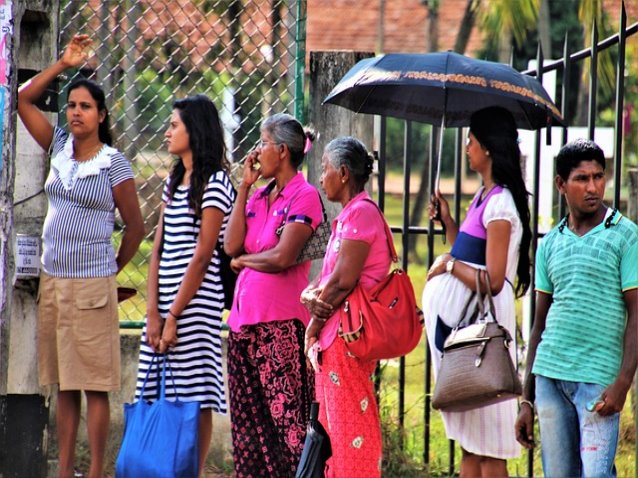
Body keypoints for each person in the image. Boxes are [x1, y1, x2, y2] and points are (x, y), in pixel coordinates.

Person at [17, 34, 144, 478]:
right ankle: (66, 469)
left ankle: (94, 473)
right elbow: (22, 99)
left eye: (85, 106)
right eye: (71, 104)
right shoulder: (58, 149)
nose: (75, 111)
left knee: (94, 386)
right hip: (54, 283)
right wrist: (63, 63)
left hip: (92, 286)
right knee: (64, 384)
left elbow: (136, 226)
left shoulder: (114, 163)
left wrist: (110, 270)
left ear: (102, 115)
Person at [514, 138, 638, 478]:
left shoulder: (626, 236)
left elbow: (637, 314)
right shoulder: (550, 244)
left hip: (598, 380)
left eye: (598, 176)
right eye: (582, 179)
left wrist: (623, 382)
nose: (593, 187)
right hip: (550, 378)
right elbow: (539, 324)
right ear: (561, 184)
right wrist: (527, 399)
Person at [422, 106, 532, 477]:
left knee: (490, 448)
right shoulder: (483, 198)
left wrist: (447, 266)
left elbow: (494, 279)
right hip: (462, 338)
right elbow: (470, 254)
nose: (466, 147)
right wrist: (449, 221)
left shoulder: (500, 204)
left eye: (470, 140)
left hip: (483, 342)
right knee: (471, 447)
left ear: (486, 148)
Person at [134, 94, 236, 477]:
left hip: (194, 306)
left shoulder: (216, 183)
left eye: (174, 125)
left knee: (195, 396)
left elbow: (203, 254)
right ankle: (158, 466)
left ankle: (187, 470)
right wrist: (153, 313)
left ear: (194, 131)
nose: (167, 132)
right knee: (156, 387)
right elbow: (157, 249)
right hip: (163, 306)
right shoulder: (175, 181)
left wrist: (174, 313)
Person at [223, 113, 322, 477]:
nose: (256, 150)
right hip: (243, 325)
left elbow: (282, 256)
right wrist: (245, 188)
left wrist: (246, 261)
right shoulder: (259, 195)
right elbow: (231, 244)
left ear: (281, 151)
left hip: (279, 328)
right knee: (248, 431)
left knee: (288, 428)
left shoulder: (305, 196)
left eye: (262, 143)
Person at [301, 136, 391, 478]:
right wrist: (309, 297)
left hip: (347, 342)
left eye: (324, 170)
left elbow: (342, 281)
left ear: (342, 173)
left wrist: (311, 324)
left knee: (352, 434)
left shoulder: (362, 214)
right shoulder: (350, 216)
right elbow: (327, 280)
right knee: (334, 434)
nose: (320, 177)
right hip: (335, 341)